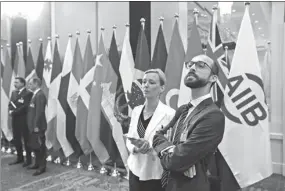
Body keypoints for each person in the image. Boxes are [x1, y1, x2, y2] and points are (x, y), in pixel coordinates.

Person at [152, 54, 225, 191]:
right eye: (190, 64)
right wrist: (172, 152)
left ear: (213, 78)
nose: (192, 68)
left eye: (201, 65)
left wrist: (177, 158)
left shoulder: (213, 116)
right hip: (168, 184)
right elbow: (157, 136)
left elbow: (175, 162)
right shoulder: (182, 110)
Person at [126, 69, 175, 191]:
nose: (146, 85)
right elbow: (129, 138)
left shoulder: (170, 114)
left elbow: (171, 146)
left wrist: (150, 147)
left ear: (162, 88)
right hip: (135, 168)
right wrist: (136, 148)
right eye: (144, 82)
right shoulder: (137, 110)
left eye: (152, 82)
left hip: (155, 172)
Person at [8, 77, 33, 166]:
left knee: (26, 140)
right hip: (15, 119)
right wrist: (10, 110)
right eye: (14, 82)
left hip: (23, 119)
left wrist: (14, 112)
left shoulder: (28, 93)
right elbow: (10, 103)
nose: (15, 84)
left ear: (23, 83)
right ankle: (19, 157)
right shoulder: (14, 92)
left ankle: (29, 160)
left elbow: (25, 107)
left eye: (17, 82)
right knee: (16, 139)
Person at [27, 77, 47, 176]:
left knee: (40, 147)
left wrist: (36, 125)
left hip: (38, 126)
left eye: (30, 84)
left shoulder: (40, 95)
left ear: (36, 84)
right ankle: (37, 163)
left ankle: (42, 167)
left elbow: (39, 112)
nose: (29, 85)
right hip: (33, 126)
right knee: (35, 146)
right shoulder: (35, 95)